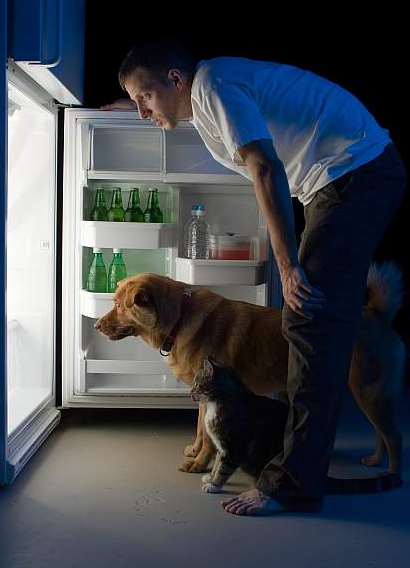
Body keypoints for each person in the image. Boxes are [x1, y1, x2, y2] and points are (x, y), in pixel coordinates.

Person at [101, 38, 407, 516]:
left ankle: (292, 485)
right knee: (315, 324)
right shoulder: (203, 101)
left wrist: (286, 265)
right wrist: (133, 102)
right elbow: (204, 127)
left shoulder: (215, 86)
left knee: (310, 325)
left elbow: (264, 166)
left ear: (176, 81)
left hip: (355, 174)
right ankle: (302, 464)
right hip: (350, 177)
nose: (142, 112)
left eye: (145, 97)